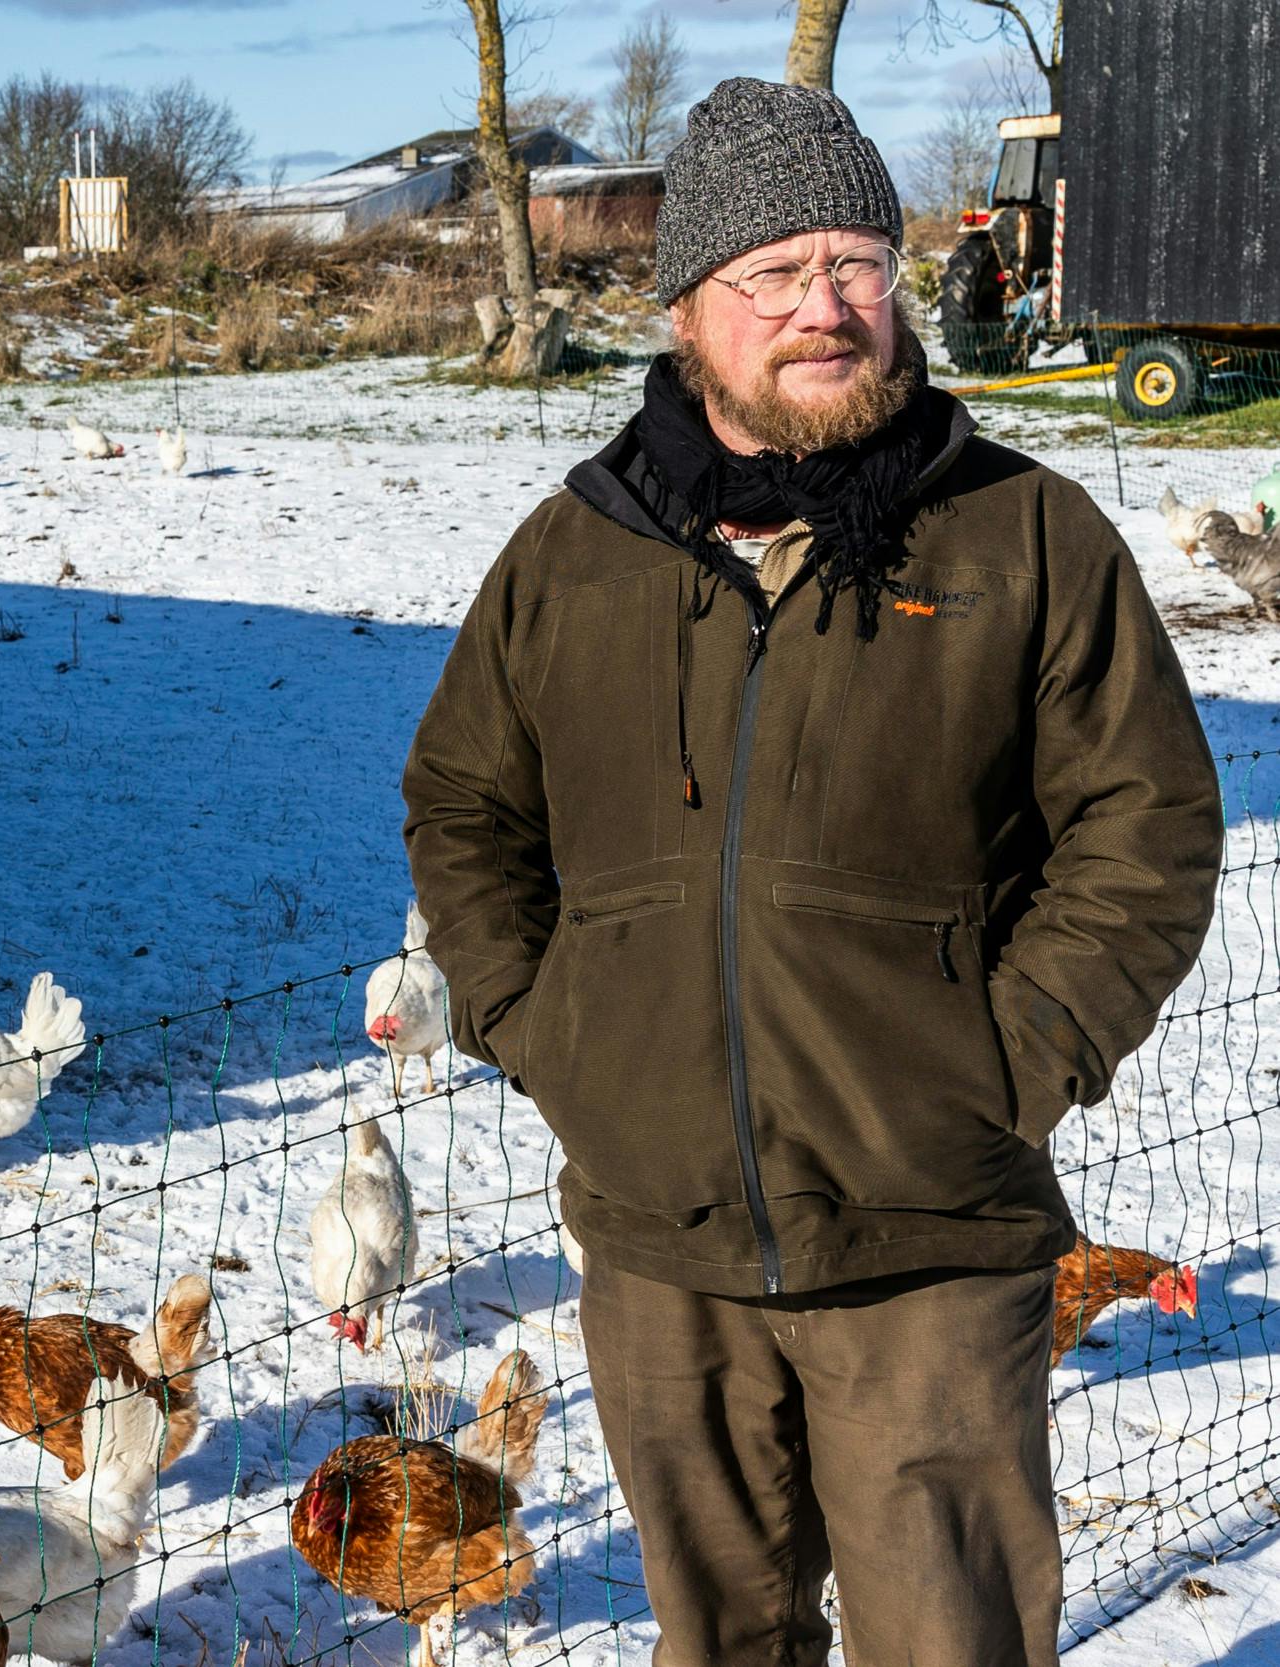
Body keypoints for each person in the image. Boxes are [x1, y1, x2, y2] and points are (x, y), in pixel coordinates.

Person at [401, 77, 1221, 1666]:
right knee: (718, 1644)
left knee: (949, 1644)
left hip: (933, 1238)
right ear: (689, 312)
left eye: (852, 264)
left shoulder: (1021, 540)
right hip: (660, 1246)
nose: (820, 310)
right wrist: (545, 1025)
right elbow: (463, 804)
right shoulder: (574, 560)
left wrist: (1005, 1061)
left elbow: (1149, 821)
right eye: (768, 277)